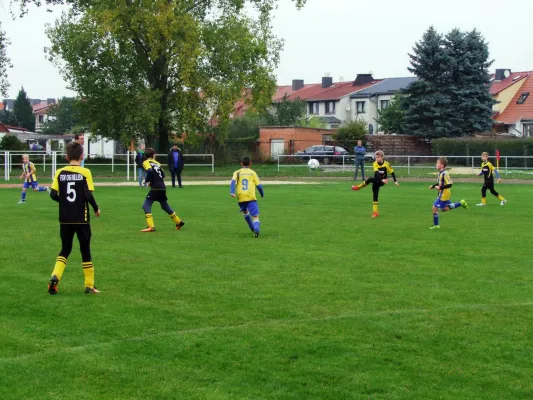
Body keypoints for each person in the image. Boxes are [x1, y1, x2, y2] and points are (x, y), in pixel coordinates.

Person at [47, 141, 101, 295]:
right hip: (81, 218)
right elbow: (88, 194)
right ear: (82, 156)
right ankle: (89, 285)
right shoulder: (85, 172)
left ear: (67, 156)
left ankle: (55, 276)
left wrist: (64, 202)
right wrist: (96, 208)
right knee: (85, 249)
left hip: (65, 218)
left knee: (65, 248)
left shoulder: (60, 172)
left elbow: (53, 194)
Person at [141, 148, 185, 232]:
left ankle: (151, 226)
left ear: (145, 156)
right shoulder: (157, 163)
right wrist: (152, 182)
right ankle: (178, 222)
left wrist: (146, 181)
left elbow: (150, 171)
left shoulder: (145, 162)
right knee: (164, 206)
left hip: (156, 188)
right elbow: (162, 175)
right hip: (162, 187)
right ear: (153, 155)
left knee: (146, 205)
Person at [351, 150, 399, 218]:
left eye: (378, 157)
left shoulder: (386, 164)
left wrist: (395, 181)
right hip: (377, 180)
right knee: (375, 195)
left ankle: (358, 187)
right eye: (376, 157)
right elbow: (377, 174)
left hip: (382, 182)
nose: (376, 159)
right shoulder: (375, 163)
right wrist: (381, 179)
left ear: (382, 157)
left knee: (370, 179)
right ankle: (375, 212)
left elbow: (392, 172)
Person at [429, 157, 468, 230]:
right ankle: (460, 203)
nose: (436, 164)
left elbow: (450, 184)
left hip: (444, 194)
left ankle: (436, 225)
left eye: (437, 163)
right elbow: (440, 183)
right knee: (443, 209)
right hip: (442, 193)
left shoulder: (445, 173)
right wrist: (433, 186)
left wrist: (440, 187)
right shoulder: (440, 173)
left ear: (442, 165)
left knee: (434, 208)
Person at [230, 155, 264, 238]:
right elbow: (259, 186)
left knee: (245, 212)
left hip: (241, 197)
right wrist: (262, 194)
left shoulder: (237, 172)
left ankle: (252, 228)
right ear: (250, 163)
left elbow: (233, 182)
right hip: (250, 196)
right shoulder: (252, 173)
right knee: (255, 216)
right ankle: (256, 229)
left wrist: (232, 192)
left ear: (241, 163)